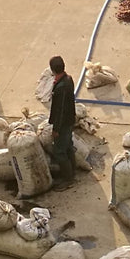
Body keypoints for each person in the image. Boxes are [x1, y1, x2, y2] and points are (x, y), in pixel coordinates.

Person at [48, 55, 76, 187]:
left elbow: (60, 111)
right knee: (68, 146)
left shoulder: (61, 87)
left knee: (59, 151)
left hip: (63, 124)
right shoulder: (68, 79)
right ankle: (72, 171)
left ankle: (68, 179)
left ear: (52, 70)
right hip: (69, 120)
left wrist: (56, 129)